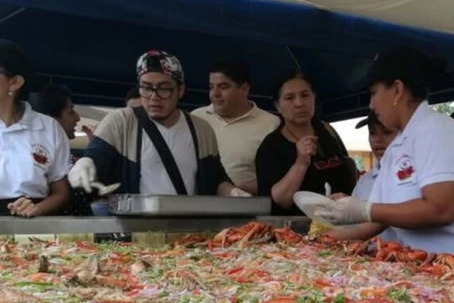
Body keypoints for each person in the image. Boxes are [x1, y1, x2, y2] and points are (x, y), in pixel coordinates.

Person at [317, 46, 454, 265]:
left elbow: (441, 209)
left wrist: (364, 209)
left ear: (397, 90)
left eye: (374, 93)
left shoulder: (435, 130)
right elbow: (377, 221)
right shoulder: (397, 147)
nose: (371, 104)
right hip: (448, 267)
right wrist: (324, 238)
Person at [68, 50, 246, 197]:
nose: (154, 97)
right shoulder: (121, 121)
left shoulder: (201, 129)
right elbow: (97, 155)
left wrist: (232, 192)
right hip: (134, 232)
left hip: (189, 231)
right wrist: (84, 163)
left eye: (164, 88)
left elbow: (216, 179)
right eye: (146, 88)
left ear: (181, 89)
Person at [256, 69, 357, 215]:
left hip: (337, 225)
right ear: (277, 105)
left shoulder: (327, 132)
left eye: (305, 95)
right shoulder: (271, 147)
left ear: (314, 98)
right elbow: (281, 200)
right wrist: (301, 163)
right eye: (289, 98)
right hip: (292, 231)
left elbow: (347, 172)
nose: (299, 103)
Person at [0, 40, 71, 217]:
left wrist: (37, 208)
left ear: (15, 82)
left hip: (32, 228)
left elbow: (61, 192)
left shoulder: (48, 128)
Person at [192, 58, 280, 194]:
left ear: (244, 89)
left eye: (223, 87)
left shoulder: (271, 124)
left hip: (247, 210)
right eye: (211, 87)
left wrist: (241, 188)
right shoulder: (196, 118)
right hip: (196, 208)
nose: (214, 94)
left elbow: (280, 181)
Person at [29, 84, 93, 216]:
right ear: (49, 120)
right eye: (70, 112)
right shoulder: (35, 164)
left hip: (79, 233)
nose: (77, 118)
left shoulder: (69, 160)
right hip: (55, 231)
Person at [347, 112, 399, 242]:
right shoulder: (365, 181)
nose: (377, 139)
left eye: (386, 132)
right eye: (372, 132)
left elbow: (378, 223)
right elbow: (352, 224)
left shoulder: (412, 176)